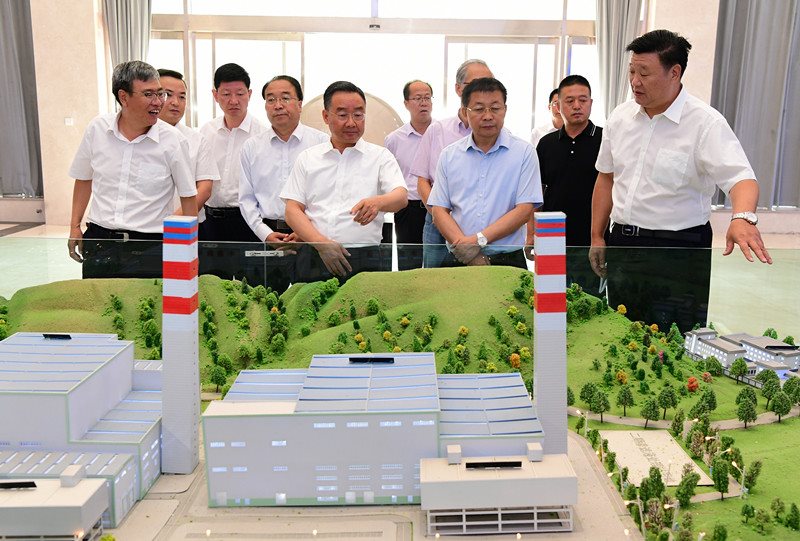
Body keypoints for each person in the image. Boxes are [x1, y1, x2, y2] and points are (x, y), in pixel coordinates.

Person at [589, 29, 772, 330]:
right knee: (623, 334)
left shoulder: (704, 123)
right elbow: (606, 178)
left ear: (674, 72)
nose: (635, 81)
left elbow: (741, 178)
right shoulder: (620, 118)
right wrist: (598, 236)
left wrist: (743, 218)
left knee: (675, 339)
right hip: (624, 243)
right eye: (632, 71)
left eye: (644, 73)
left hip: (678, 249)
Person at [67, 61, 197, 279]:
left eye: (160, 94)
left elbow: (188, 198)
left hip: (150, 246)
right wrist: (74, 226)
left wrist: (189, 249)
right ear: (124, 97)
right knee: (97, 300)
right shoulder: (97, 129)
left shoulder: (173, 141)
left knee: (145, 301)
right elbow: (83, 179)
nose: (158, 102)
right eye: (148, 94)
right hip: (100, 241)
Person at [281, 81, 407, 283]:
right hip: (315, 253)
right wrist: (321, 243)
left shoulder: (380, 157)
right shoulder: (308, 158)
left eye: (358, 115)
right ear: (326, 116)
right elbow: (292, 209)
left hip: (364, 257)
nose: (351, 123)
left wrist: (378, 202)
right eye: (342, 115)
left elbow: (400, 197)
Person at [428, 77, 542, 269]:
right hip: (459, 257)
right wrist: (467, 250)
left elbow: (524, 211)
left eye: (495, 108)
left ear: (505, 110)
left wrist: (477, 242)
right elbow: (439, 210)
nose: (488, 116)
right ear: (465, 112)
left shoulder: (524, 153)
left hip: (507, 259)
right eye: (479, 109)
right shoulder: (449, 155)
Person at [238, 75, 328, 291]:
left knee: (309, 300)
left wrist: (306, 231)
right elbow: (246, 199)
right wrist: (265, 234)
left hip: (310, 237)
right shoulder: (252, 147)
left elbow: (328, 195)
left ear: (300, 104)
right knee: (263, 302)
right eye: (271, 99)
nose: (278, 105)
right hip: (268, 235)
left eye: (285, 98)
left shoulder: (322, 143)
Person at [410, 59, 493, 268]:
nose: (483, 89)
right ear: (458, 89)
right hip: (438, 223)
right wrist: (442, 218)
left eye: (488, 83)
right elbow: (422, 182)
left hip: (483, 225)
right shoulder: (438, 130)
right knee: (435, 281)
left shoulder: (497, 133)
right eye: (475, 83)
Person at [532, 75, 601, 293]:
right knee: (549, 298)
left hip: (590, 238)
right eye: (570, 101)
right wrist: (531, 233)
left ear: (591, 103)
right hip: (550, 235)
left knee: (588, 301)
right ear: (558, 105)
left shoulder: (605, 140)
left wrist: (600, 237)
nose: (577, 106)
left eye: (583, 100)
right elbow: (536, 191)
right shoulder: (546, 143)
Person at [199, 63, 266, 243]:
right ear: (215, 95)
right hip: (210, 220)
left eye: (240, 94)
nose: (234, 101)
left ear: (249, 94)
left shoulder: (262, 134)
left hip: (248, 221)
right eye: (226, 94)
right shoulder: (206, 132)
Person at [384, 79, 433, 270]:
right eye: (418, 98)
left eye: (427, 98)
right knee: (409, 264)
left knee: (438, 262)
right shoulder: (394, 139)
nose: (423, 103)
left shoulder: (443, 133)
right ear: (406, 103)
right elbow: (390, 176)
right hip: (408, 208)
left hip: (439, 206)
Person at [157, 69, 219, 221]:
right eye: (168, 94)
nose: (175, 102)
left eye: (182, 97)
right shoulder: (138, 136)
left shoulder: (197, 140)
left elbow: (204, 189)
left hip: (183, 224)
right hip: (141, 227)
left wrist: (172, 222)